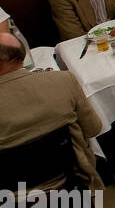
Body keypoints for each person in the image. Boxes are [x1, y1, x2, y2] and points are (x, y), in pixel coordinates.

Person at [0, 32, 103, 190]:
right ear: (23, 56)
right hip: (72, 180)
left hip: (12, 195)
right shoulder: (63, 81)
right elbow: (94, 128)